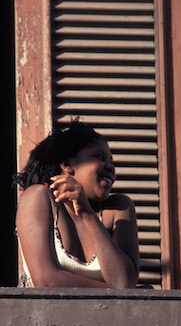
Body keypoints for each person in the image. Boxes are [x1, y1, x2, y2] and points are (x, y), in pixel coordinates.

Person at [14, 121, 139, 288]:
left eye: (111, 160)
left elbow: (123, 282)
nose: (110, 167)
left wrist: (87, 214)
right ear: (67, 164)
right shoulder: (38, 198)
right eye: (100, 157)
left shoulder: (119, 208)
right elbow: (45, 281)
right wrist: (114, 291)